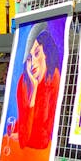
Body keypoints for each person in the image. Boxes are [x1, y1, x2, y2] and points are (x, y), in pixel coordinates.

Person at [15, 22, 61, 150]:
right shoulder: (23, 83)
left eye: (37, 53)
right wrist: (34, 91)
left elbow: (43, 140)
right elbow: (23, 141)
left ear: (46, 53)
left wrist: (24, 133)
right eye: (29, 58)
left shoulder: (54, 78)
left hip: (41, 152)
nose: (33, 63)